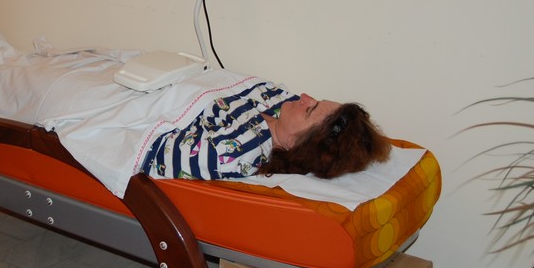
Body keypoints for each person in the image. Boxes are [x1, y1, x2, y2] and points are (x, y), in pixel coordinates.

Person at [142, 81, 391, 181]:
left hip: (142, 104)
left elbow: (149, 150)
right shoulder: (282, 102)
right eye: (315, 100)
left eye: (310, 109)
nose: (304, 96)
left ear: (297, 145)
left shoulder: (233, 153)